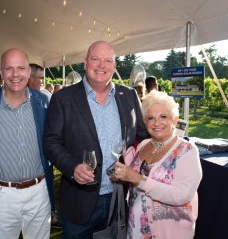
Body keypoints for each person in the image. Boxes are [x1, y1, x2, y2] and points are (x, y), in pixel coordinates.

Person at [44, 40, 149, 238]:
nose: (101, 66)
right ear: (85, 63)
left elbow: (142, 138)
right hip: (78, 200)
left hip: (119, 199)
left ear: (114, 66)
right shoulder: (63, 98)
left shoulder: (128, 95)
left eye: (108, 61)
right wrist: (73, 167)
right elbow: (51, 142)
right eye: (95, 59)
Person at [0, 48, 54, 239]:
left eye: (21, 68)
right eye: (9, 69)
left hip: (39, 192)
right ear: (1, 73)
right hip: (2, 195)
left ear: (28, 71)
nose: (15, 74)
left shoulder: (44, 101)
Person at [113, 90, 202, 239]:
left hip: (167, 232)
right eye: (150, 118)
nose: (156, 123)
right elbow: (136, 182)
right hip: (136, 229)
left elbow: (181, 195)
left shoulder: (187, 151)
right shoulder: (144, 144)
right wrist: (123, 177)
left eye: (163, 116)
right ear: (144, 122)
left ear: (175, 119)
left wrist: (136, 178)